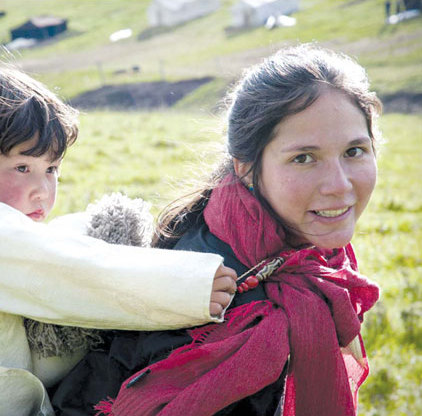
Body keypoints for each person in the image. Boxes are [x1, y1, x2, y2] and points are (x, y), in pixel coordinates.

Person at [0, 64, 238, 416]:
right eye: (22, 167)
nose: (43, 190)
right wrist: (191, 286)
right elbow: (72, 270)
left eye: (51, 169)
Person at [53, 44, 382, 416]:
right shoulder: (220, 298)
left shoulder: (304, 257)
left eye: (354, 151)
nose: (339, 185)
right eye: (303, 158)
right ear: (245, 167)